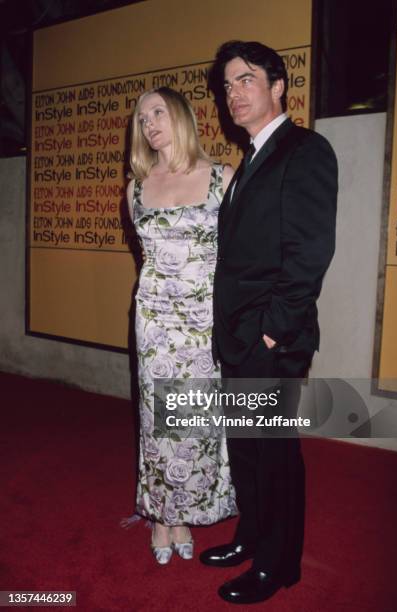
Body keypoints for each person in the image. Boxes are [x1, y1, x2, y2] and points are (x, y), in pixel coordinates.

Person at [200, 41, 338, 604]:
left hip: (271, 340)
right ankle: (251, 537)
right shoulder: (251, 160)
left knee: (275, 454)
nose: (233, 93)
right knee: (246, 449)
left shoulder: (305, 150)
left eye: (245, 79)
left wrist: (271, 330)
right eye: (227, 85)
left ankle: (277, 566)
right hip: (239, 337)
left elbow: (309, 252)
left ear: (278, 86)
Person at [126, 86, 236, 565]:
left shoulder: (221, 178)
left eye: (158, 112)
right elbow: (146, 258)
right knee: (155, 421)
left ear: (182, 117)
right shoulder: (137, 188)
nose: (149, 123)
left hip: (203, 319)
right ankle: (160, 517)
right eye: (142, 117)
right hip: (153, 319)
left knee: (191, 422)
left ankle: (185, 512)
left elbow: (240, 256)